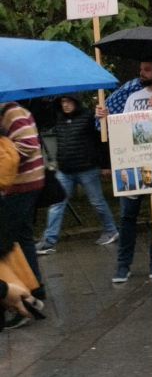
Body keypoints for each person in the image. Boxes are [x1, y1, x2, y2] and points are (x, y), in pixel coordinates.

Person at [96, 60, 152, 284]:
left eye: (147, 69)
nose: (141, 73)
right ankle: (123, 265)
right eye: (140, 69)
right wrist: (106, 117)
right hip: (134, 166)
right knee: (127, 216)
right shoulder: (132, 97)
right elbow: (123, 129)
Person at [36, 94, 119, 255]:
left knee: (97, 202)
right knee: (56, 205)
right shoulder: (58, 117)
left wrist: (104, 164)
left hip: (87, 169)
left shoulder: (88, 116)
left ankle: (110, 230)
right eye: (62, 101)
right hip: (65, 170)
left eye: (68, 101)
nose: (65, 105)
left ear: (75, 102)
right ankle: (49, 240)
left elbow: (101, 136)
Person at [0, 101, 46, 306]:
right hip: (24, 184)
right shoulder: (9, 112)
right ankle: (34, 287)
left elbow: (28, 143)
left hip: (23, 184)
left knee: (7, 239)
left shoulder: (12, 112)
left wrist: (4, 151)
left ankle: (23, 295)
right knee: (22, 236)